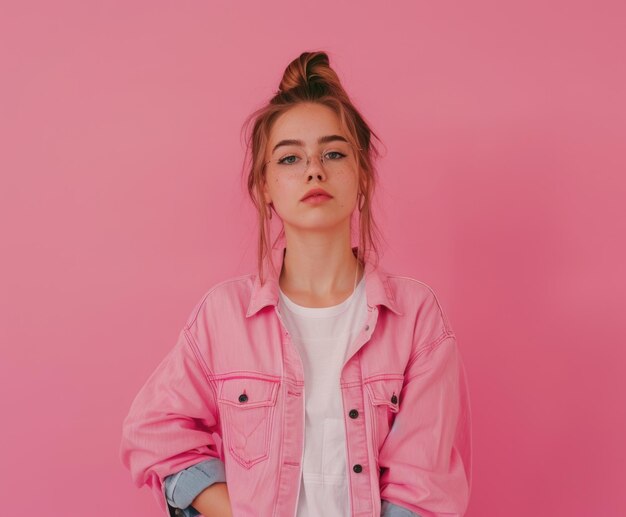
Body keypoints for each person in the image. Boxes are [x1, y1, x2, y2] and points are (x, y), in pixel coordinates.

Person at [119, 50, 472, 517]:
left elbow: (422, 486)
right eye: (289, 158)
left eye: (333, 152)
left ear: (362, 175)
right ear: (264, 186)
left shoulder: (415, 316)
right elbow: (154, 431)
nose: (313, 170)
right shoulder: (223, 315)